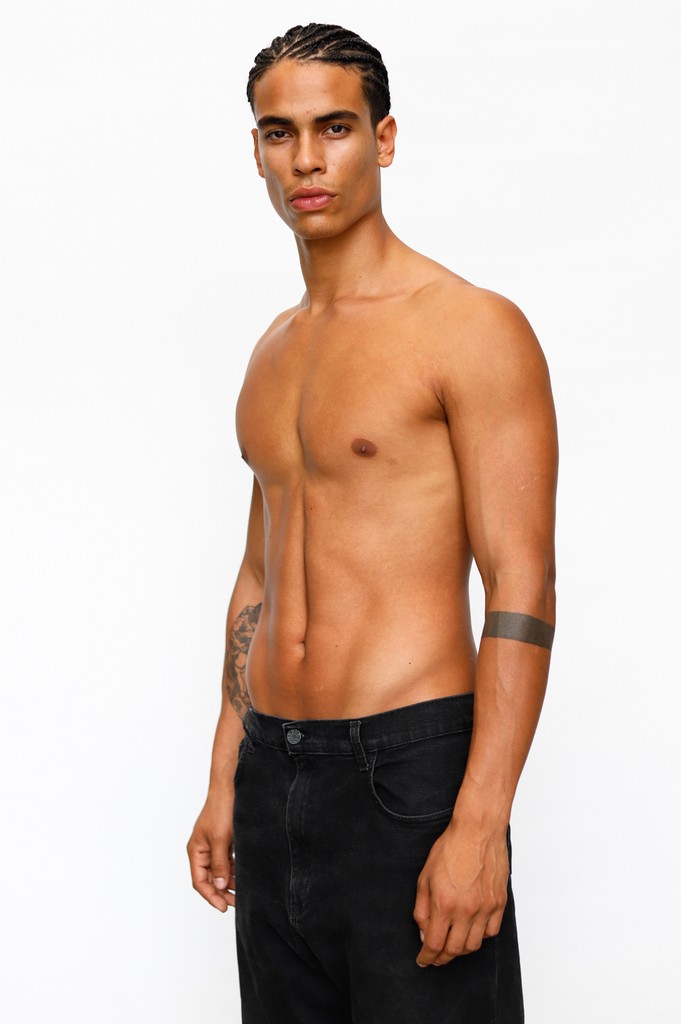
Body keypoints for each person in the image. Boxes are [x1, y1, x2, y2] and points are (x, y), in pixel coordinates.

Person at [187, 22, 558, 1024]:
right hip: (273, 771)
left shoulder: (469, 327)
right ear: (256, 150)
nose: (306, 160)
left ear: (383, 139)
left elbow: (522, 586)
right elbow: (260, 575)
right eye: (279, 133)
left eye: (335, 127)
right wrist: (225, 776)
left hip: (408, 773)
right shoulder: (273, 351)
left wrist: (480, 823)